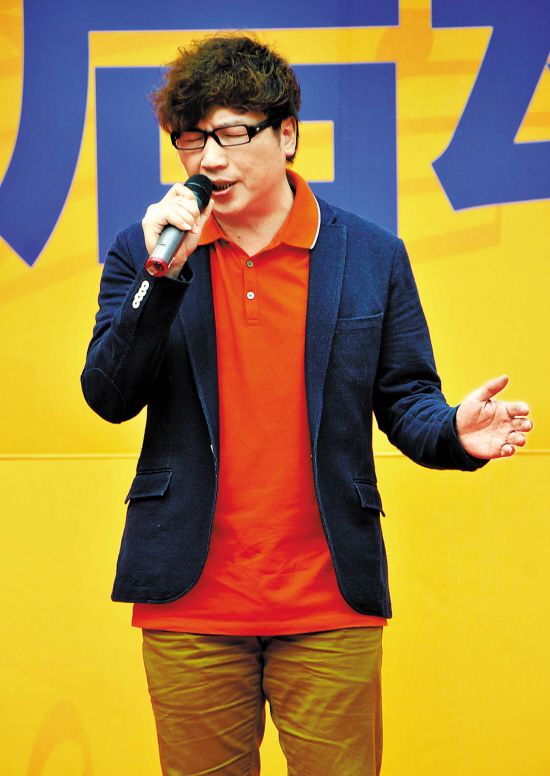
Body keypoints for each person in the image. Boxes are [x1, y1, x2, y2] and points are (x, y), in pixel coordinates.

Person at [81, 33, 532, 776]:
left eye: (232, 134)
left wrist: (454, 431)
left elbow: (406, 398)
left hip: (328, 599)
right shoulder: (147, 250)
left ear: (286, 134)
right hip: (190, 602)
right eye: (192, 140)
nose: (210, 159)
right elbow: (108, 394)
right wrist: (163, 278)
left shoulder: (370, 255)